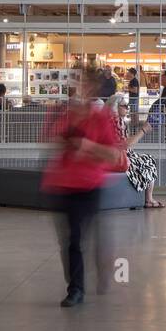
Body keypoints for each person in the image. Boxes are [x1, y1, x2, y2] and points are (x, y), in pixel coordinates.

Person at [41, 69, 126, 306]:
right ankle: (76, 287)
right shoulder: (65, 114)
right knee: (72, 239)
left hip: (89, 184)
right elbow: (52, 140)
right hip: (63, 183)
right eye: (78, 82)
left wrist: (87, 147)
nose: (81, 88)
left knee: (82, 235)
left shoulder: (101, 118)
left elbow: (112, 154)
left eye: (86, 84)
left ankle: (94, 270)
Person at [111, 97, 162, 208]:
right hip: (116, 156)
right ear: (116, 107)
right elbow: (125, 144)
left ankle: (148, 198)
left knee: (147, 159)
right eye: (124, 106)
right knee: (148, 160)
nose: (127, 108)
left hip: (116, 154)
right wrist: (143, 131)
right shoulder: (116, 121)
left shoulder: (119, 121)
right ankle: (148, 198)